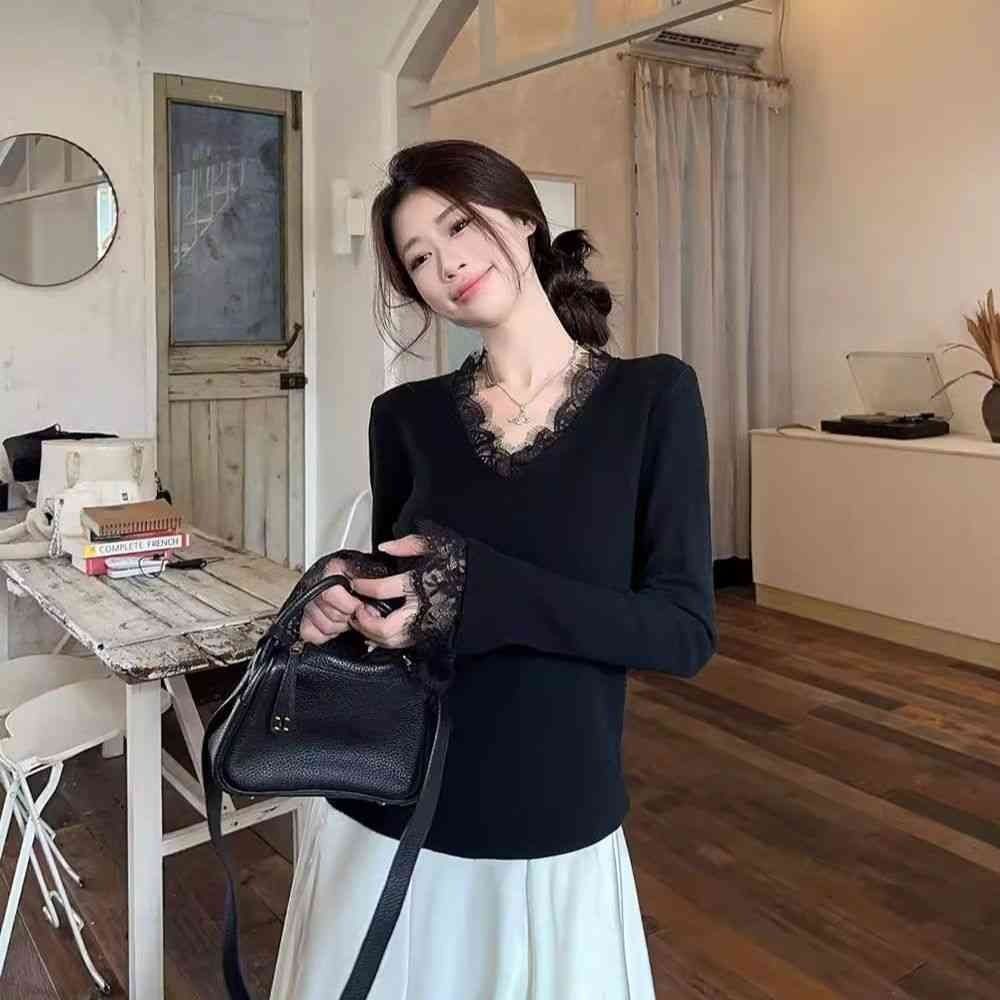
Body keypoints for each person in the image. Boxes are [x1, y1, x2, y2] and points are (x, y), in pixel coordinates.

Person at [268, 139, 717, 999]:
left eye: (458, 225)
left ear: (521, 216)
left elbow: (681, 633)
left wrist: (476, 589)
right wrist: (343, 591)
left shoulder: (653, 397)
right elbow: (409, 600)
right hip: (393, 800)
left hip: (549, 813)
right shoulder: (403, 417)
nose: (445, 264)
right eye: (418, 258)